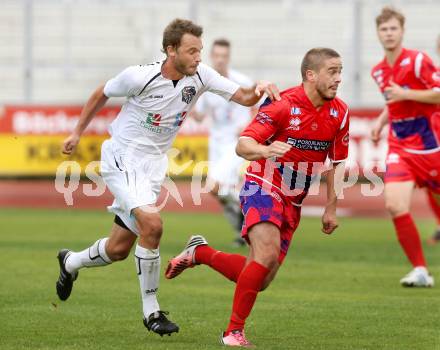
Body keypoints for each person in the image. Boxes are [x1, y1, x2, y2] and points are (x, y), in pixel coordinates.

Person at [56, 18, 280, 337]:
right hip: (121, 158)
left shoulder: (200, 75)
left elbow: (244, 97)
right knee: (154, 225)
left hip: (151, 168)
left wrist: (261, 87)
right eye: (192, 51)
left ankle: (70, 263)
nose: (198, 57)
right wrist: (77, 132)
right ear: (170, 50)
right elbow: (100, 93)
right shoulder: (140, 76)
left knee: (119, 248)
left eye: (200, 51)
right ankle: (152, 311)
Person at [166, 47, 349, 346]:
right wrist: (265, 150)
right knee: (265, 254)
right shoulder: (282, 105)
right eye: (333, 71)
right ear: (310, 74)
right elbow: (243, 144)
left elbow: (339, 162)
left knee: (260, 277)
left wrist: (332, 207)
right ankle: (233, 332)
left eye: (340, 71)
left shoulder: (339, 112)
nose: (338, 78)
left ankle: (200, 253)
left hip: (294, 199)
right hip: (262, 185)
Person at [370, 7, 440, 287]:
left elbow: (438, 95)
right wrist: (380, 120)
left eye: (393, 28)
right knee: (394, 204)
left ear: (402, 31)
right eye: (384, 29)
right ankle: (421, 270)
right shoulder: (378, 71)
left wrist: (407, 93)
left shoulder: (418, 61)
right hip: (399, 148)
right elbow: (394, 102)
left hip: (431, 148)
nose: (388, 33)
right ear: (378, 33)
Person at [192, 38, 256, 247]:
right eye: (216, 56)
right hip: (216, 142)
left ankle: (255, 213)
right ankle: (242, 229)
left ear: (228, 57)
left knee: (214, 186)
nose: (220, 60)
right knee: (219, 193)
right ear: (211, 56)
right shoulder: (205, 84)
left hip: (236, 142)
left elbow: (257, 107)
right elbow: (199, 116)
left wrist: (249, 125)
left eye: (224, 56)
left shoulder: (241, 81)